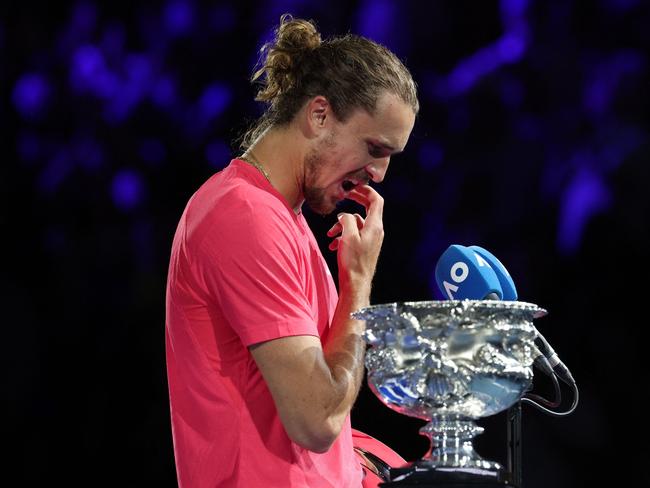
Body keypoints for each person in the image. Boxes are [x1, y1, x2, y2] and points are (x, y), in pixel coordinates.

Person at [165, 13, 418, 488]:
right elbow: (317, 421)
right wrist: (358, 284)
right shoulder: (244, 216)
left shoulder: (285, 219)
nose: (380, 174)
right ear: (319, 114)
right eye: (374, 147)